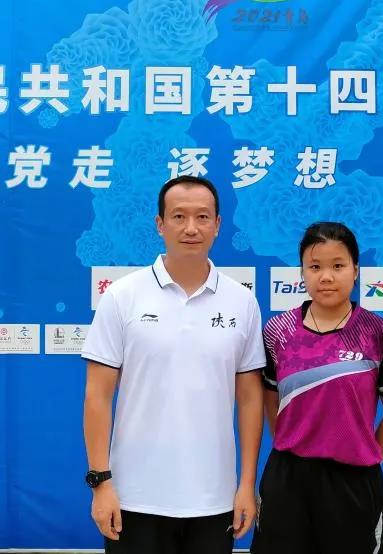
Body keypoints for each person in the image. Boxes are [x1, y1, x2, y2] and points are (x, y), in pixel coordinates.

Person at [81, 175, 265, 554]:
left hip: (214, 499)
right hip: (133, 498)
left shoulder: (242, 301)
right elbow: (97, 396)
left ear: (218, 224)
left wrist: (247, 484)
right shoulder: (122, 296)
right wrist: (101, 483)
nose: (191, 228)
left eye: (202, 217)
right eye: (179, 216)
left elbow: (250, 399)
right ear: (160, 224)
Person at [252, 221, 383, 554]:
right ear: (302, 273)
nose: (326, 276)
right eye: (315, 267)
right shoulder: (277, 332)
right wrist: (293, 444)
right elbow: (271, 402)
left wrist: (364, 457)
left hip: (354, 483)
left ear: (356, 270)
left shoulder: (379, 333)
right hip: (288, 480)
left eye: (338, 266)